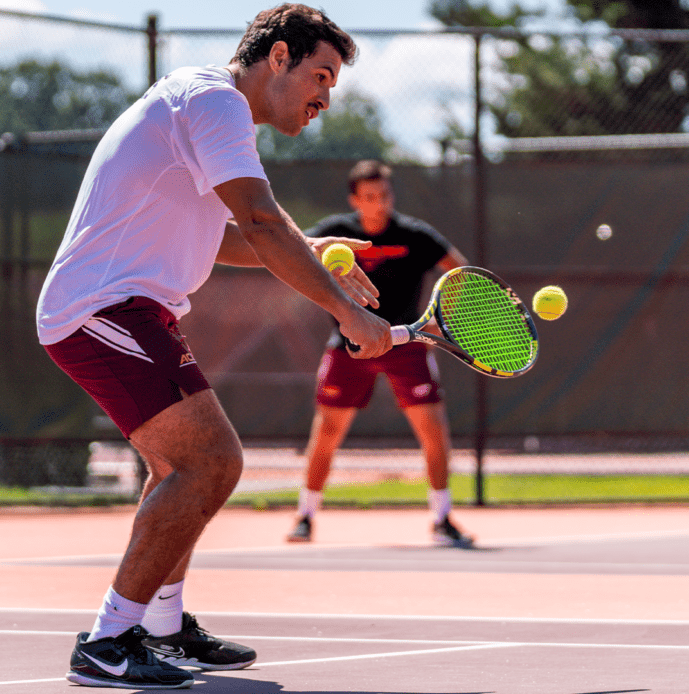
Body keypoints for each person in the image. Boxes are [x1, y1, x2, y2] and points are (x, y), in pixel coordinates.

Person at [36, 5, 392, 690]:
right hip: (100, 310)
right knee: (212, 462)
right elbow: (259, 221)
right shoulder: (213, 101)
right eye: (320, 75)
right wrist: (345, 311)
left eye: (334, 86)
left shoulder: (205, 111)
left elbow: (226, 237)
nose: (324, 97)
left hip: (130, 312)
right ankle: (109, 641)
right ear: (278, 57)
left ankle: (162, 629)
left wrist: (311, 254)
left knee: (178, 465)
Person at [286, 159, 475, 548]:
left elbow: (460, 271)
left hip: (407, 345)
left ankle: (442, 519)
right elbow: (289, 253)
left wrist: (443, 319)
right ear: (355, 199)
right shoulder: (333, 234)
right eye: (369, 197)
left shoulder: (415, 235)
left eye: (384, 195)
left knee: (434, 430)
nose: (379, 203)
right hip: (349, 346)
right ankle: (305, 515)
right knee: (327, 432)